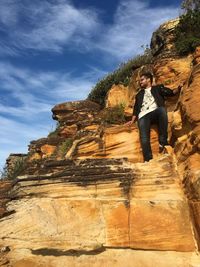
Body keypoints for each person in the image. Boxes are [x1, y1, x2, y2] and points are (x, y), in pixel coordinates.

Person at [126, 72, 182, 162]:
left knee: (162, 110)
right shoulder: (139, 94)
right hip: (143, 115)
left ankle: (163, 142)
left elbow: (170, 92)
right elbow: (136, 108)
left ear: (149, 79)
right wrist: (132, 120)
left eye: (142, 80)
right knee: (144, 138)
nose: (140, 82)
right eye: (140, 80)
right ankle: (148, 160)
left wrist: (178, 89)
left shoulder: (158, 88)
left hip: (156, 112)